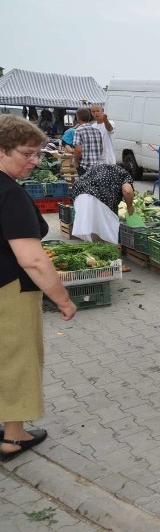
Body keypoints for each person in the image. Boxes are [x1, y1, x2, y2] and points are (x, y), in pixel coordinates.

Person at [0, 115, 77, 462]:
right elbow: (32, 260)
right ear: (2, 150)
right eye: (27, 153)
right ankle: (13, 438)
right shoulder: (10, 195)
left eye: (37, 154)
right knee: (17, 360)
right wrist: (62, 299)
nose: (35, 161)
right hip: (10, 289)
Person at [71, 164, 136, 246]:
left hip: (79, 193)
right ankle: (110, 254)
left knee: (94, 227)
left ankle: (97, 251)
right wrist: (130, 207)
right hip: (100, 196)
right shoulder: (125, 174)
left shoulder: (103, 166)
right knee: (107, 232)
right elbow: (127, 191)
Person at [72, 107, 103, 176]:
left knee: (85, 186)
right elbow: (101, 149)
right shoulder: (97, 130)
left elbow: (78, 149)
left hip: (84, 166)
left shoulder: (78, 130)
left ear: (78, 118)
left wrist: (76, 162)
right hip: (97, 166)